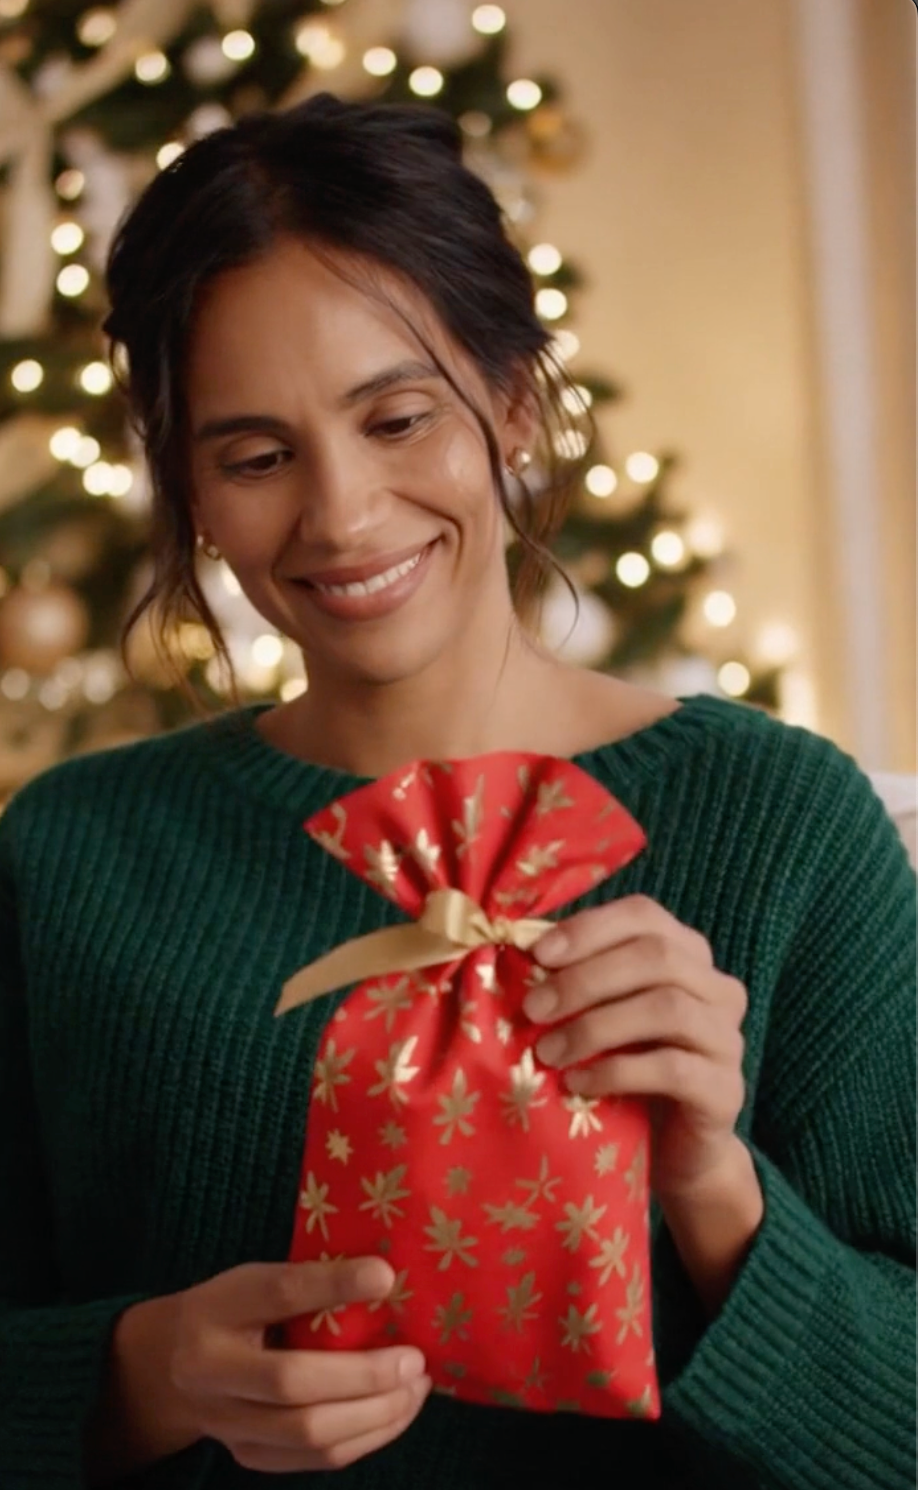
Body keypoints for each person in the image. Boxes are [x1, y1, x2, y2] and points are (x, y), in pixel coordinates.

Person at [0, 92, 913, 1490]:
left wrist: (715, 1191)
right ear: (185, 490)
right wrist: (140, 1372)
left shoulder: (782, 827)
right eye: (254, 456)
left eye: (397, 416)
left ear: (510, 399)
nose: (342, 515)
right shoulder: (73, 855)